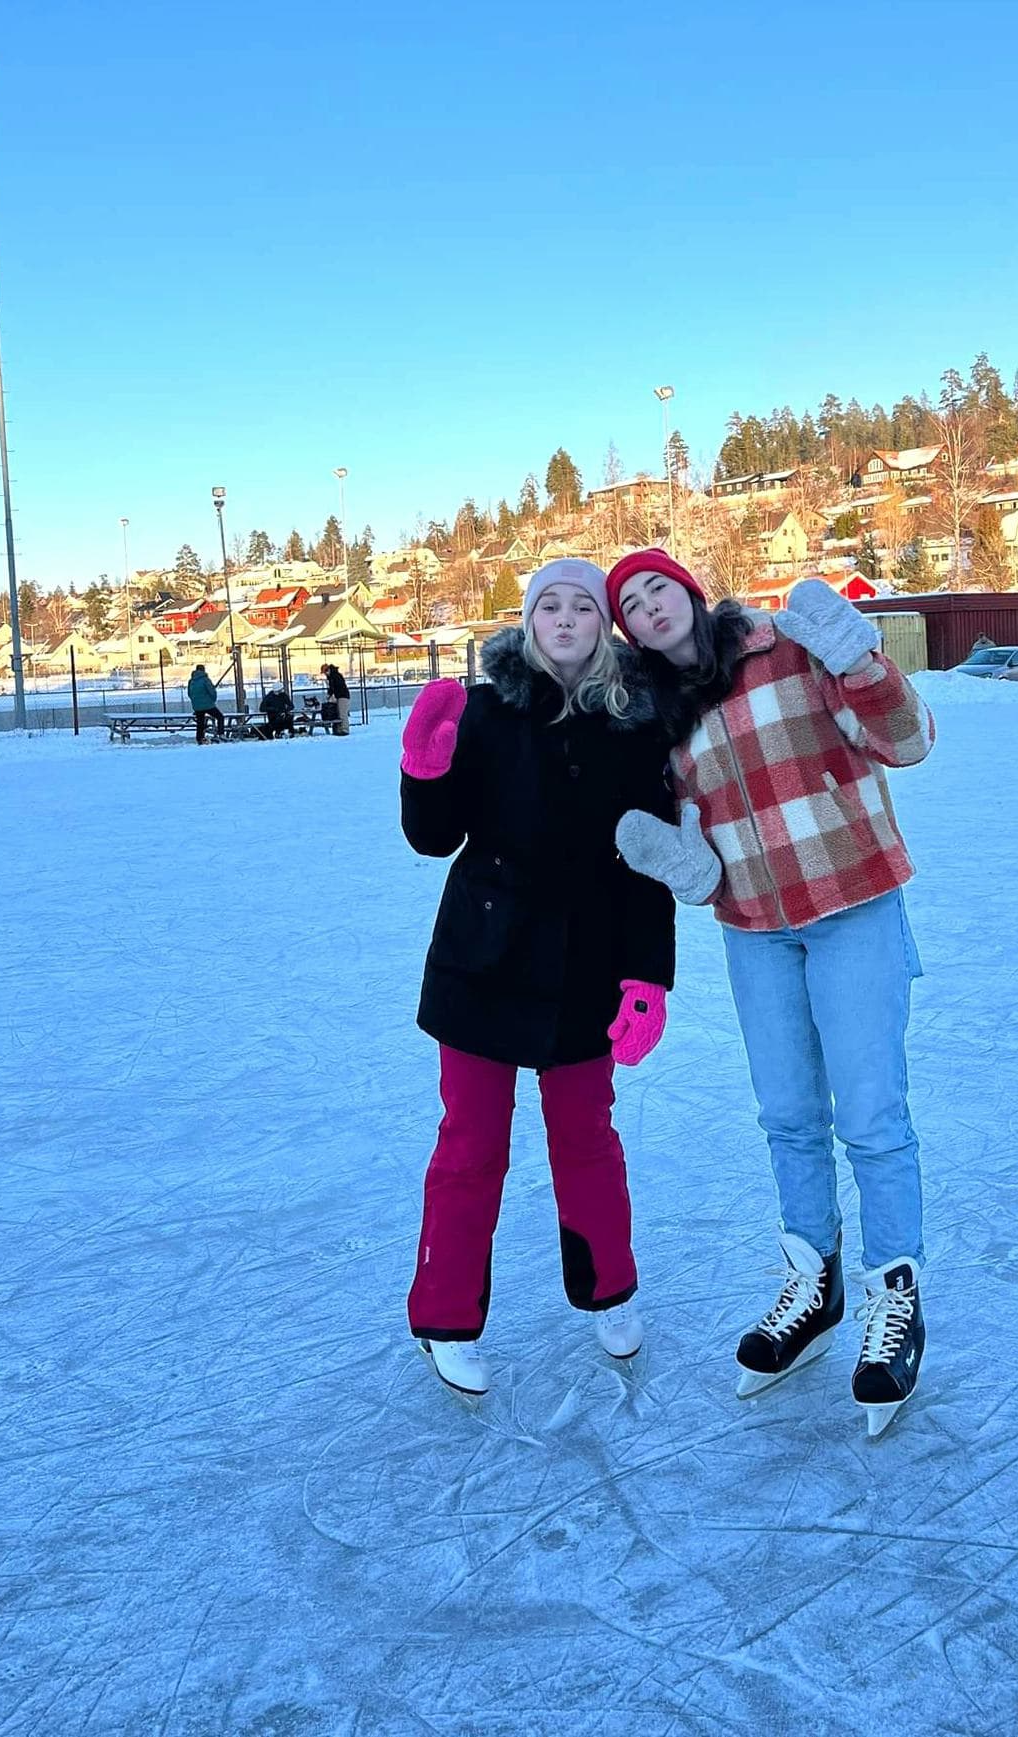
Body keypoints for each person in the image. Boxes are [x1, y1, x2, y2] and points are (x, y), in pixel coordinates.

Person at [608, 550, 935, 1435]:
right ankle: (814, 1282)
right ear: (628, 631)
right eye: (629, 606)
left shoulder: (787, 646)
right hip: (753, 926)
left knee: (870, 1114)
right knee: (788, 1114)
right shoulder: (662, 719)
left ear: (688, 591)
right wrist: (688, 866)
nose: (648, 609)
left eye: (656, 589)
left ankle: (893, 1298)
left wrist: (864, 666)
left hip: (855, 900)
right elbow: (690, 838)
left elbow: (908, 740)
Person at [401, 558, 676, 1398]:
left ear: (602, 625)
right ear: (528, 621)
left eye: (581, 607)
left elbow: (647, 862)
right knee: (470, 1145)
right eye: (548, 606)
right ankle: (445, 1315)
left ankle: (610, 1292)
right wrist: (425, 764)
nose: (563, 620)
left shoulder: (633, 725)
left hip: (586, 969)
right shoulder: (485, 711)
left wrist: (647, 976)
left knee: (587, 1139)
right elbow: (432, 836)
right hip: (482, 963)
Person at [186, 665, 224, 744]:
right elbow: (212, 691)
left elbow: (189, 693)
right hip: (208, 705)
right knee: (220, 717)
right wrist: (212, 701)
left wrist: (195, 701)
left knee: (200, 722)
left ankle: (200, 738)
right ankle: (221, 733)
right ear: (203, 670)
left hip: (197, 706)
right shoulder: (205, 680)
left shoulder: (191, 681)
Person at [322, 663, 351, 736]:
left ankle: (344, 729)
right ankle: (339, 729)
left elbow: (334, 687)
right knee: (338, 713)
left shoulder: (334, 676)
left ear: (327, 670)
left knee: (342, 713)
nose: (325, 674)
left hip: (342, 696)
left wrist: (330, 694)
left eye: (325, 672)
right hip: (339, 696)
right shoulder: (333, 676)